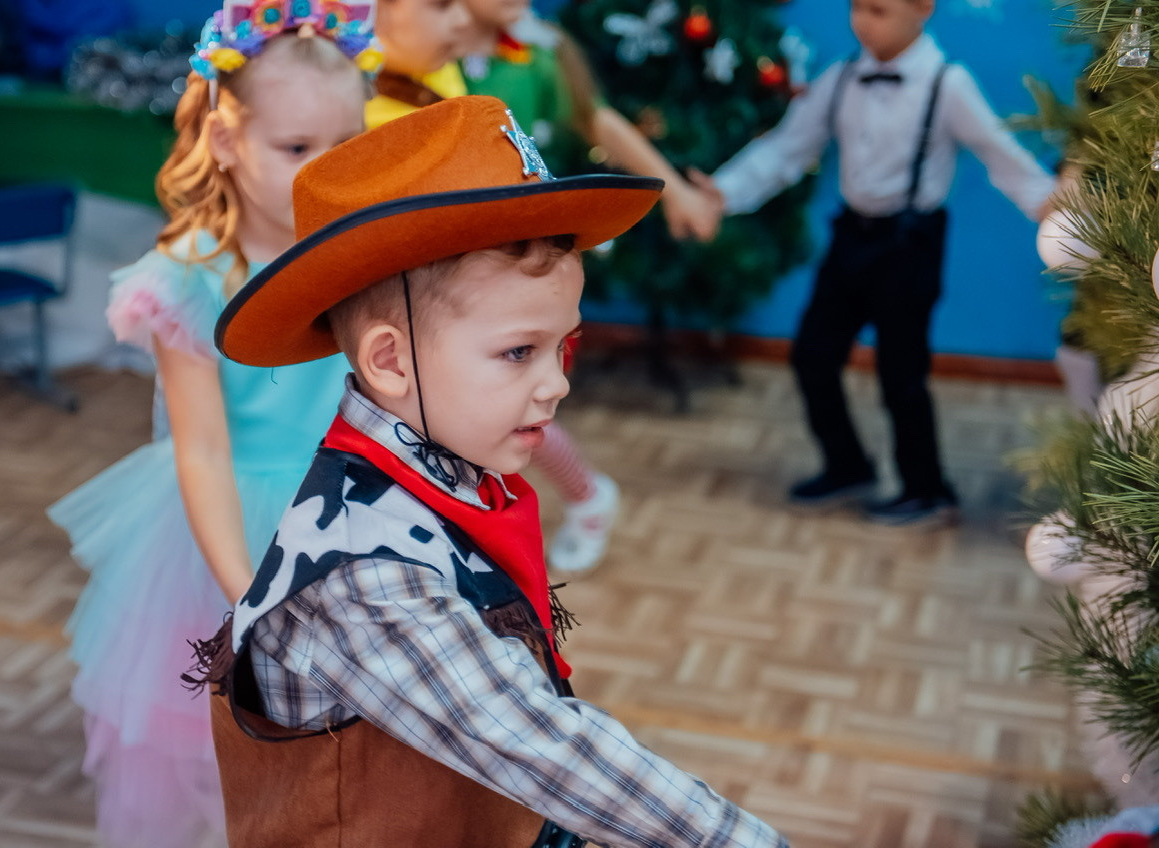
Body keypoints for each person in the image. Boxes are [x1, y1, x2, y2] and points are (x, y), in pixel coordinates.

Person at [188, 95, 788, 848]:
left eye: (562, 347)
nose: (557, 384)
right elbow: (536, 744)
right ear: (391, 360)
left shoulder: (451, 474)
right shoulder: (366, 577)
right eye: (517, 352)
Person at [46, 4, 373, 845]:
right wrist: (250, 597)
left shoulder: (355, 255)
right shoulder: (192, 277)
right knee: (215, 750)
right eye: (296, 149)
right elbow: (202, 447)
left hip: (348, 518)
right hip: (227, 535)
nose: (320, 173)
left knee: (344, 755)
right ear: (227, 142)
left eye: (345, 146)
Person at [374, 0, 720, 572]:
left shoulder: (537, 54)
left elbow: (597, 119)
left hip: (510, 274)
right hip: (438, 277)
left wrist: (676, 193)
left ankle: (585, 496)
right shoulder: (424, 54)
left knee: (517, 413)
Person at [696, 0, 1055, 526]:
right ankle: (848, 465)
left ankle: (927, 489)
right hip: (851, 239)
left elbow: (999, 153)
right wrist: (722, 192)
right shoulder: (841, 76)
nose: (863, 22)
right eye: (857, 8)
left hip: (909, 245)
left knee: (901, 375)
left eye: (879, 10)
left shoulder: (946, 82)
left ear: (923, 10)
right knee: (813, 356)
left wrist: (1050, 203)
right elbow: (787, 148)